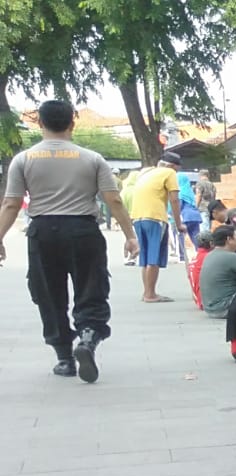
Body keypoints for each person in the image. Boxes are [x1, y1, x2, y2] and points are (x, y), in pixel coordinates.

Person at [0, 99, 137, 382]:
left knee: (49, 294)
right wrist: (130, 235)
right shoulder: (92, 158)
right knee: (91, 286)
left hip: (42, 230)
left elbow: (11, 205)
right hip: (83, 230)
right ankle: (87, 338)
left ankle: (64, 358)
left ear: (39, 123)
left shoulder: (24, 160)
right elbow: (112, 198)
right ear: (73, 123)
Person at [128, 152, 185, 303]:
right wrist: (179, 224)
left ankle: (147, 292)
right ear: (173, 166)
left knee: (146, 257)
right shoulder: (169, 173)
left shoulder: (145, 172)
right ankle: (150, 294)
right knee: (153, 257)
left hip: (138, 216)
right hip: (155, 217)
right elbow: (174, 199)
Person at [199, 225, 236, 318]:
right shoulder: (233, 257)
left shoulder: (209, 256)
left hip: (210, 309)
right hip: (224, 308)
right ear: (229, 239)